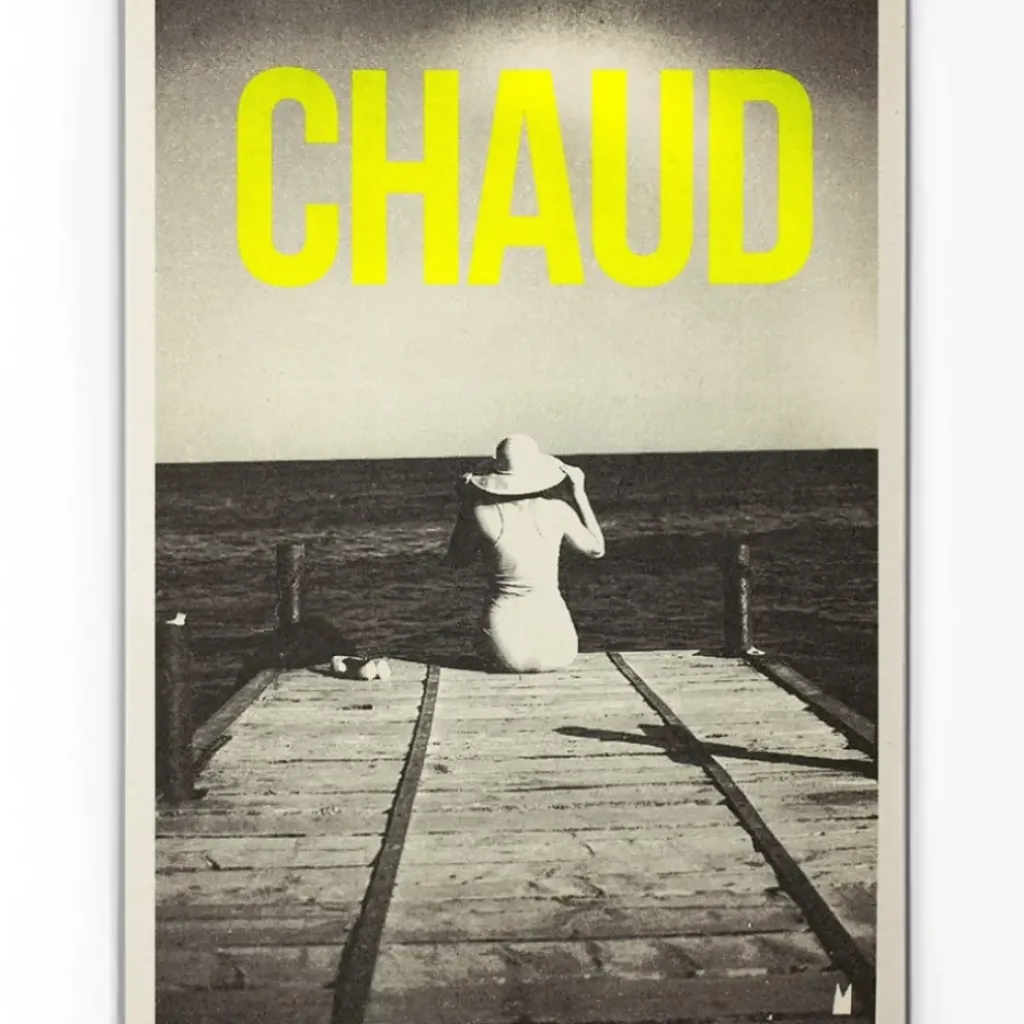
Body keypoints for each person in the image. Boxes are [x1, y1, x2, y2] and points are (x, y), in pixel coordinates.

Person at [444, 434, 605, 673]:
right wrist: (579, 493)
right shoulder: (558, 510)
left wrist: (465, 503)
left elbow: (456, 561)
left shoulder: (480, 513)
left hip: (506, 649)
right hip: (559, 649)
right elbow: (597, 550)